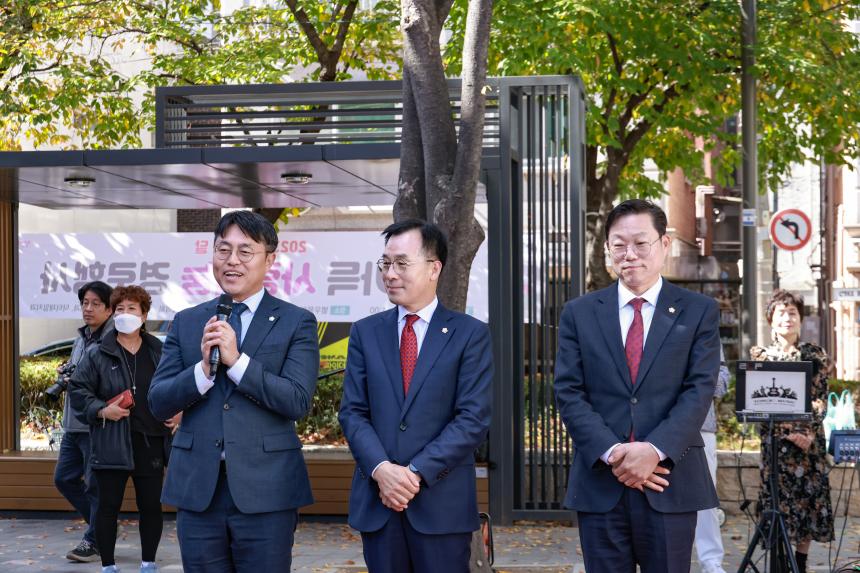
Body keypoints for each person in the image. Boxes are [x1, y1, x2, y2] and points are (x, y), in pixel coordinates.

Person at [553, 199, 720, 573]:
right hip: (601, 482)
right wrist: (614, 452)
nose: (630, 254)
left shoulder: (698, 311)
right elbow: (568, 391)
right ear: (607, 249)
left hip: (669, 481)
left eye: (641, 243)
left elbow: (699, 390)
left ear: (664, 244)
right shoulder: (579, 313)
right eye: (619, 245)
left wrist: (654, 450)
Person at [148, 210, 319, 573]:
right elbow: (158, 401)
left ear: (269, 260)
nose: (232, 261)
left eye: (245, 251)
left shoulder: (296, 321)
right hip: (198, 489)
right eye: (223, 250)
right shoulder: (188, 320)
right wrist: (202, 371)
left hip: (267, 489)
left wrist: (237, 362)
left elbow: (296, 400)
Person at [338, 219, 493, 573]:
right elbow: (353, 412)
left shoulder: (469, 334)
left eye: (401, 263)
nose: (390, 273)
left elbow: (473, 418)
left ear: (434, 268)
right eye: (385, 263)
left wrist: (414, 473)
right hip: (379, 501)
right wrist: (382, 470)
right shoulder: (366, 332)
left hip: (442, 505)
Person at [69, 285, 177, 573]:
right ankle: (108, 565)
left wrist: (178, 412)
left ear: (144, 315)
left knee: (151, 506)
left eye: (132, 309)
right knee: (107, 507)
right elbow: (78, 390)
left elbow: (177, 386)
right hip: (111, 440)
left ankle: (148, 563)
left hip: (150, 440)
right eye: (119, 309)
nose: (125, 314)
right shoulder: (98, 353)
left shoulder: (159, 351)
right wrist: (101, 409)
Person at [750, 289, 834, 572]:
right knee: (779, 503)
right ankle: (780, 563)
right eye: (781, 313)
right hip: (777, 444)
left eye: (793, 312)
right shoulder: (761, 355)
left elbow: (820, 397)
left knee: (807, 504)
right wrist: (788, 430)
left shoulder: (815, 354)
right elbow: (756, 402)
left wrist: (806, 432)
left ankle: (800, 563)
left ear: (800, 318)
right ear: (771, 319)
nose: (787, 318)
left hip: (808, 444)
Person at [55, 280, 113, 563]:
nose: (88, 309)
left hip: (95, 424)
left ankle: (94, 540)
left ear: (109, 309)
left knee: (94, 486)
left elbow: (112, 381)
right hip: (73, 424)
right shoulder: (82, 337)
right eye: (84, 303)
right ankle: (103, 528)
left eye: (95, 304)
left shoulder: (113, 340)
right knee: (64, 479)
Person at [694, 346, 730, 573]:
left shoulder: (705, 326)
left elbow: (723, 376)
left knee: (706, 496)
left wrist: (700, 382)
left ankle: (711, 562)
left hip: (702, 425)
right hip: (655, 426)